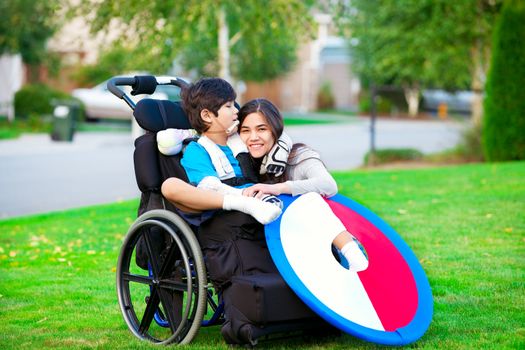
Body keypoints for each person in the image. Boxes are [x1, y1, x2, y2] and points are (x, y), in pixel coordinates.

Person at [237, 98, 368, 272]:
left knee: (310, 198)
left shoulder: (298, 155)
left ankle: (353, 255)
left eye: (262, 129)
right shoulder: (242, 163)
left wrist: (279, 188)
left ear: (276, 131)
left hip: (313, 243)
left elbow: (328, 184)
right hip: (273, 247)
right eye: (245, 131)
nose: (253, 137)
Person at [161, 78, 282, 225]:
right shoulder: (197, 150)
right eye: (228, 106)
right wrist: (243, 196)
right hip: (223, 214)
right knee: (169, 185)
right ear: (206, 116)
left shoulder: (242, 139)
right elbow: (210, 186)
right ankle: (245, 202)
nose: (236, 110)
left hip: (260, 198)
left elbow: (275, 135)